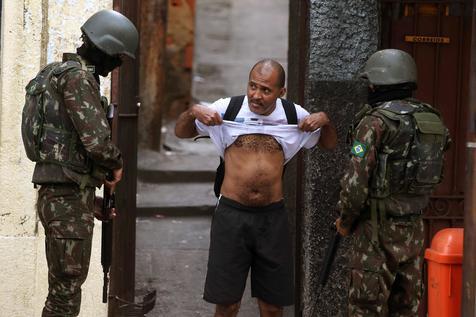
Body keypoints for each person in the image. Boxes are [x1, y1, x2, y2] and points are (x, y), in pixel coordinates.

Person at [175, 59, 337, 317]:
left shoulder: (294, 115)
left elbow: (328, 144)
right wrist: (194, 111)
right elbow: (181, 132)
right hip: (231, 217)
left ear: (281, 92)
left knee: (272, 307)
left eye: (265, 90)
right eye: (253, 86)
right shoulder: (228, 108)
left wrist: (325, 120)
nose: (256, 95)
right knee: (227, 304)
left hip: (272, 219)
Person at [24, 10, 138, 316]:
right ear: (104, 48)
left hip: (62, 197)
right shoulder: (78, 79)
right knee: (65, 295)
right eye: (117, 57)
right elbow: (97, 143)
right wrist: (116, 165)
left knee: (62, 289)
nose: (117, 65)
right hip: (66, 202)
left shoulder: (55, 73)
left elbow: (69, 146)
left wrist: (89, 200)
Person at [335, 49, 451, 316]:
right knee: (405, 308)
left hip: (376, 231)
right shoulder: (431, 120)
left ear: (378, 82)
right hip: (414, 229)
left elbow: (355, 182)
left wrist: (345, 220)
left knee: (365, 308)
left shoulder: (375, 122)